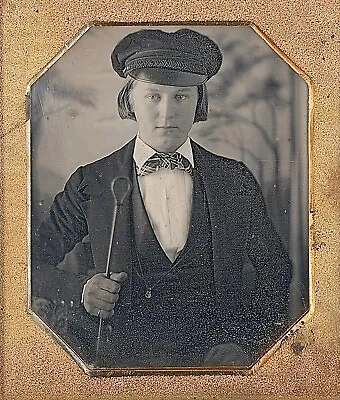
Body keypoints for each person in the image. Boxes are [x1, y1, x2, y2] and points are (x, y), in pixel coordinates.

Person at [31, 28, 292, 368]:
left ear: (200, 102)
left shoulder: (234, 180)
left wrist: (245, 343)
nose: (167, 113)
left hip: (211, 364)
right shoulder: (90, 181)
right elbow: (29, 264)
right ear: (130, 101)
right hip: (114, 362)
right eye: (153, 96)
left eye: (181, 97)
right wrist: (80, 289)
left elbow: (275, 271)